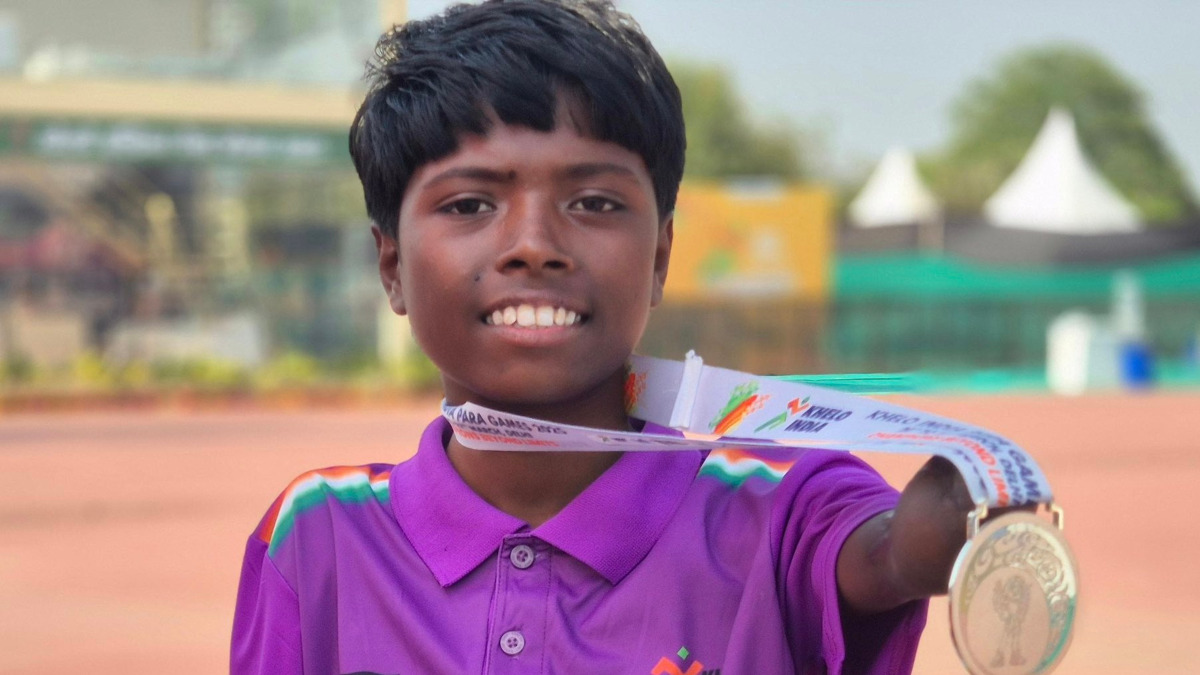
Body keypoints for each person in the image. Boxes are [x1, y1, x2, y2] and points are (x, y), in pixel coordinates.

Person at [232, 1, 980, 673]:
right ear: (391, 264)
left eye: (593, 201)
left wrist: (945, 527)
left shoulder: (778, 506)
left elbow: (883, 552)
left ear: (659, 256)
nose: (532, 244)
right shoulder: (318, 534)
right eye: (468, 204)